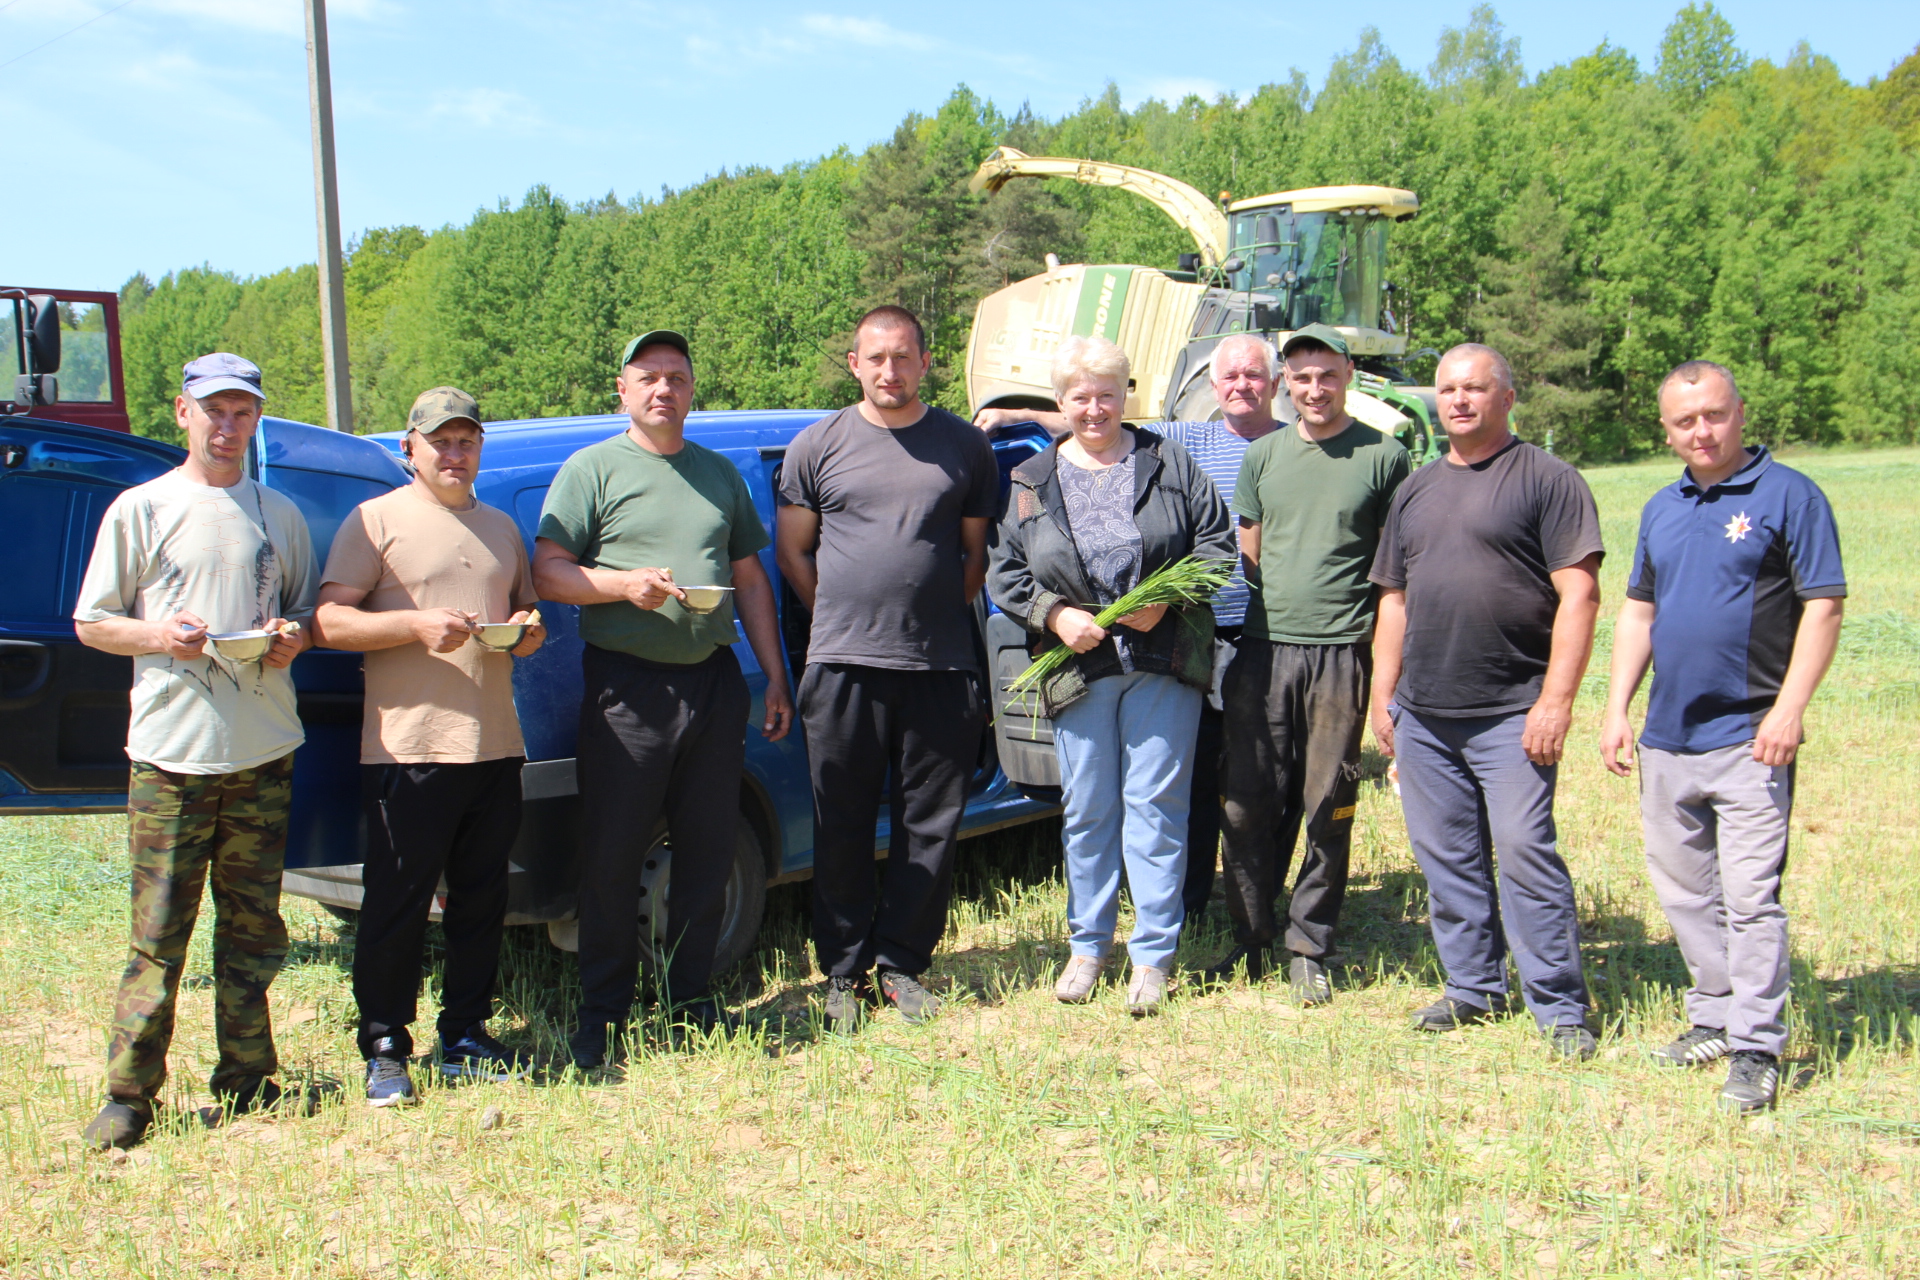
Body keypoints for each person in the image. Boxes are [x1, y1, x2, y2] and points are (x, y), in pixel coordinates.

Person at [72, 353, 316, 1149]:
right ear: (182, 413)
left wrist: (289, 638)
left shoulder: (276, 512)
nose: (228, 424)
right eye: (214, 409)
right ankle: (130, 1094)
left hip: (262, 749)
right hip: (173, 754)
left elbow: (303, 610)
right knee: (159, 931)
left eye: (243, 411)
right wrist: (161, 637)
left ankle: (248, 1077)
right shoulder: (141, 508)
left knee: (254, 927)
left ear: (255, 419)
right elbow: (92, 621)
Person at [534, 331, 793, 1068]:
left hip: (712, 683)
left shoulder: (717, 475)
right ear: (622, 389)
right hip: (627, 687)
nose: (663, 390)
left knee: (708, 852)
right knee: (613, 857)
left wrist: (774, 675)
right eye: (648, 378)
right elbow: (548, 572)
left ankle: (691, 1001)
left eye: (676, 378)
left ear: (690, 389)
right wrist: (621, 585)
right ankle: (604, 1015)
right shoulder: (592, 471)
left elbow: (750, 582)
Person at [1601, 360, 1845, 1114]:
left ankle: (1756, 1047)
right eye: (1684, 421)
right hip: (1670, 737)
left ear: (1740, 413)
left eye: (1713, 415)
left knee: (1749, 899)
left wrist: (1789, 708)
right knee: (1684, 893)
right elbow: (1639, 612)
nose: (1700, 431)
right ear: (1665, 429)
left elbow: (1824, 606)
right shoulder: (1661, 507)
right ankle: (1712, 1014)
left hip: (1750, 735)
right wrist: (1616, 708)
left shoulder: (1789, 497)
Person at [976, 335, 1282, 920]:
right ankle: (1088, 942)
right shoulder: (1030, 478)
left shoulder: (1168, 461)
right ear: (1061, 404)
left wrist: (1169, 602)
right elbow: (1005, 572)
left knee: (1157, 805)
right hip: (1076, 665)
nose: (1095, 409)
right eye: (1080, 397)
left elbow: (1217, 549)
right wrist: (1055, 615)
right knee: (1088, 807)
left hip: (1163, 661)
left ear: (1125, 397)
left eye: (1107, 396)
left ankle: (1154, 947)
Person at [1368, 343, 1604, 1060]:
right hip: (1426, 712)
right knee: (1447, 858)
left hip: (1512, 710)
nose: (1459, 401)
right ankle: (1473, 988)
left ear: (1506, 397)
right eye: (1448, 389)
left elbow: (1581, 595)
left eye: (1475, 388)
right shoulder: (1416, 489)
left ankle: (1560, 1007)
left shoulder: (1549, 480)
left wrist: (1555, 701)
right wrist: (1384, 698)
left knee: (1528, 854)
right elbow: (1394, 602)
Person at [313, 387, 547, 1106]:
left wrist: (528, 630)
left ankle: (467, 1035)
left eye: (466, 440)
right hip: (409, 748)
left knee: (482, 901)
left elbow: (526, 611)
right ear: (408, 449)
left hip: (495, 744)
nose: (454, 453)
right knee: (397, 906)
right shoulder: (375, 519)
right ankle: (385, 1045)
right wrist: (412, 628)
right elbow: (327, 622)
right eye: (439, 441)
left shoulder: (503, 528)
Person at [776, 305, 999, 1032]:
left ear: (925, 361)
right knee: (839, 824)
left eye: (903, 357)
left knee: (929, 826)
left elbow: (974, 558)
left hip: (940, 666)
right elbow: (793, 553)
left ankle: (903, 965)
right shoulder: (818, 445)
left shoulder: (964, 447)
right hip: (841, 666)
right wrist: (841, 615)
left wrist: (927, 616)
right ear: (854, 364)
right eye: (876, 358)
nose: (889, 371)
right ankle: (843, 973)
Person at [1206, 324, 1411, 1003]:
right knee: (1247, 802)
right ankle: (1251, 933)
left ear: (1348, 374)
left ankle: (1309, 943)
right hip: (1264, 651)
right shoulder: (1263, 456)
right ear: (1285, 385)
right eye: (1301, 378)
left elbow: (1392, 570)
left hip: (1341, 653)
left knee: (1329, 802)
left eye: (1326, 375)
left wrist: (1381, 669)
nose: (1314, 388)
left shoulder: (1384, 456)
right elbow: (1251, 545)